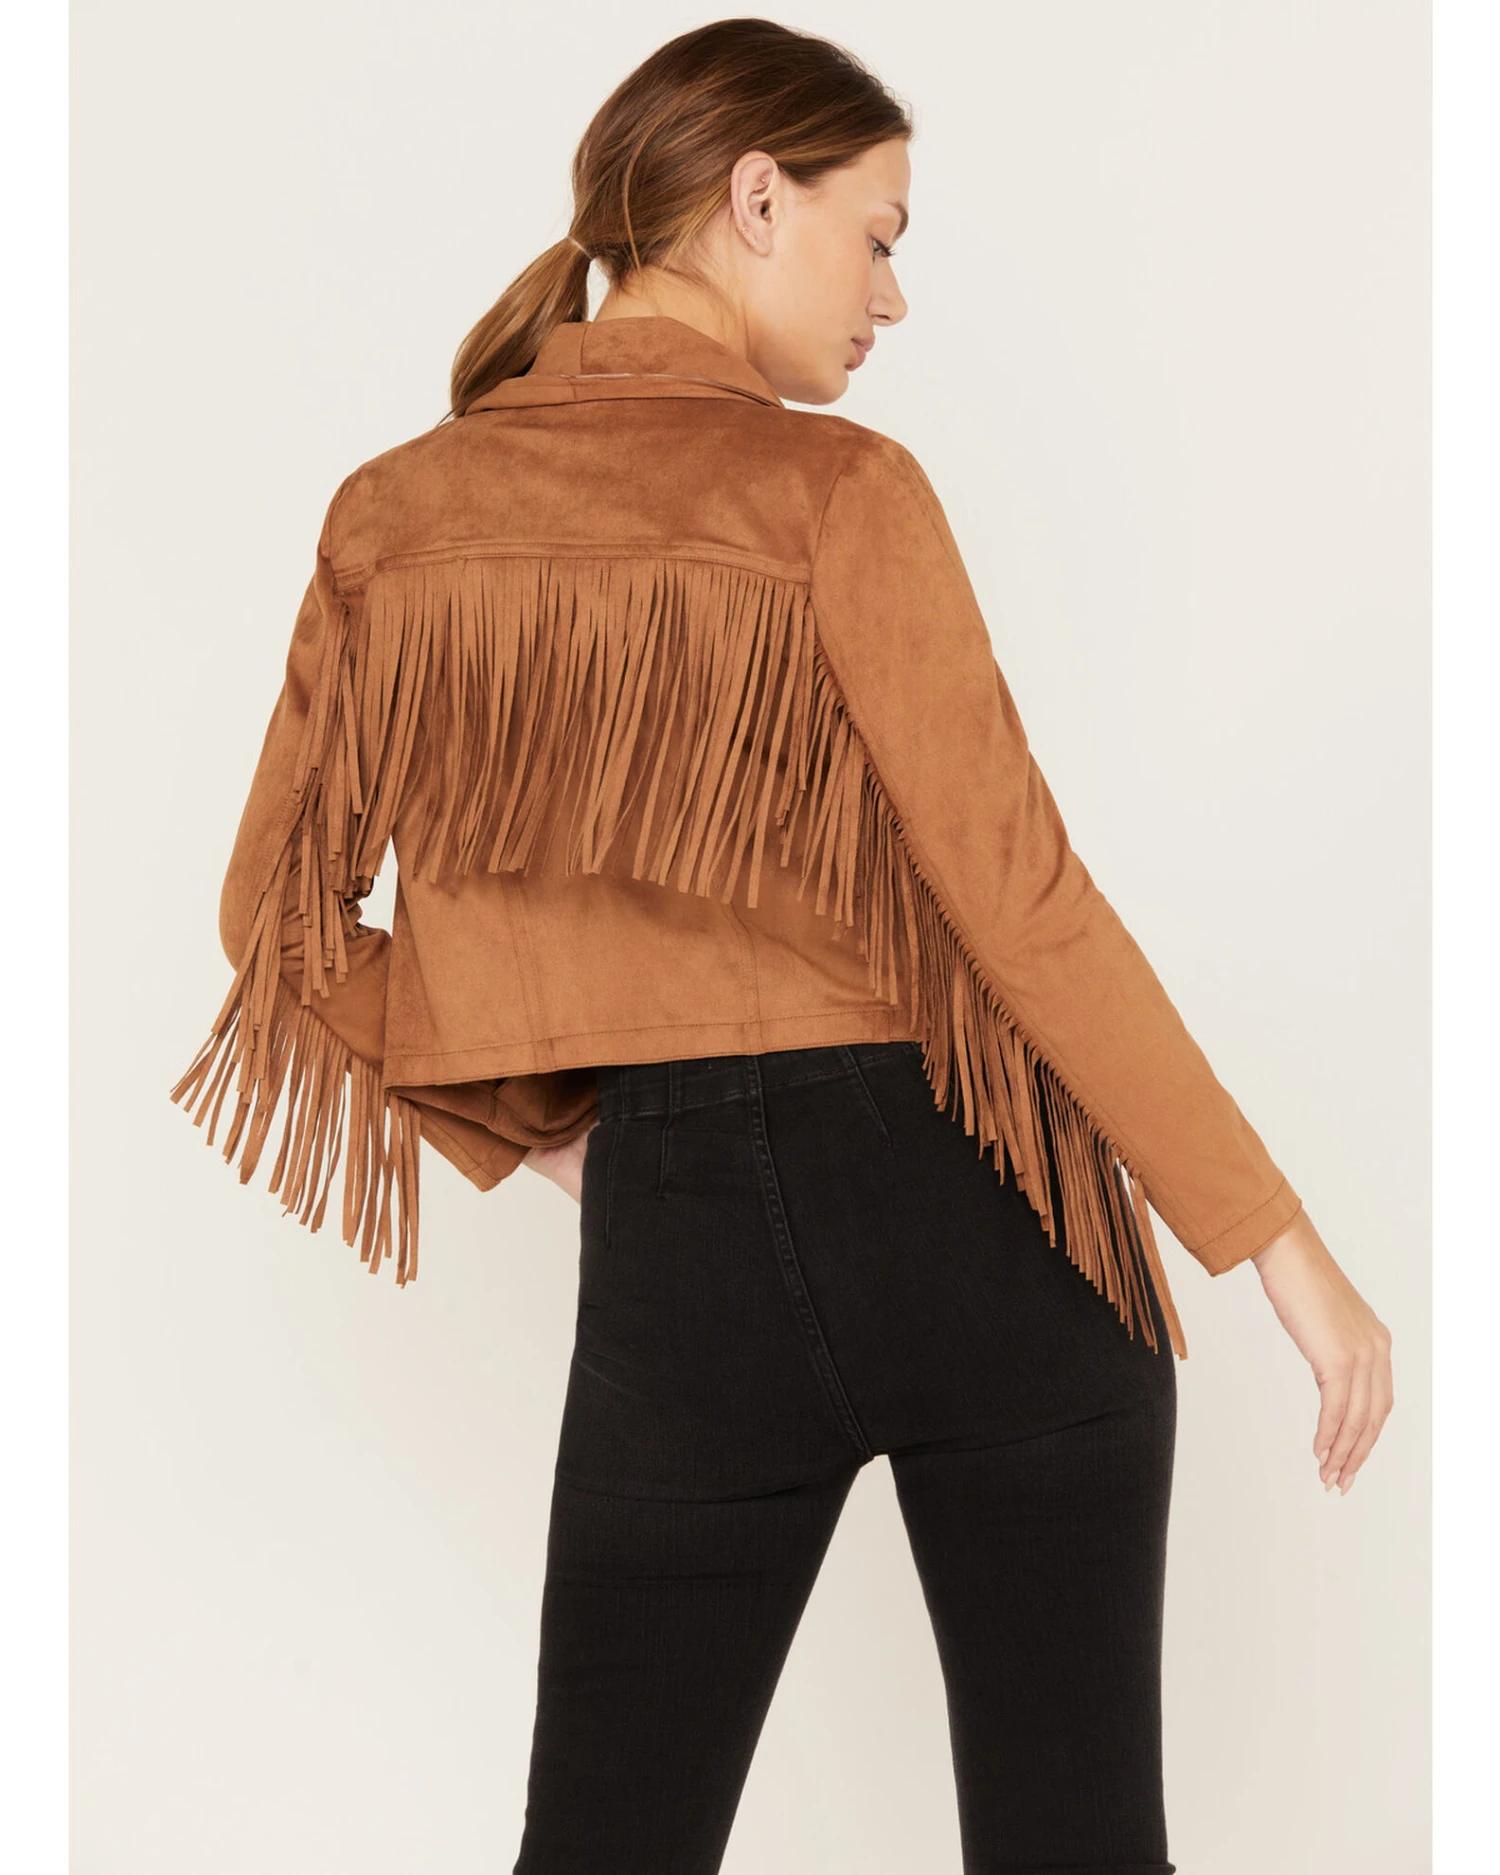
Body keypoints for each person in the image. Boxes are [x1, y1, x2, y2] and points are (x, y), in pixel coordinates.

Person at [168, 19, 1393, 1874]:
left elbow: (271, 917)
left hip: (682, 1254)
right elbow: (1023, 902)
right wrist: (1281, 1249)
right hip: (984, 1212)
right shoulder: (842, 494)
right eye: (878, 234)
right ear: (757, 198)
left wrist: (566, 1137)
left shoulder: (393, 522)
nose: (892, 296)